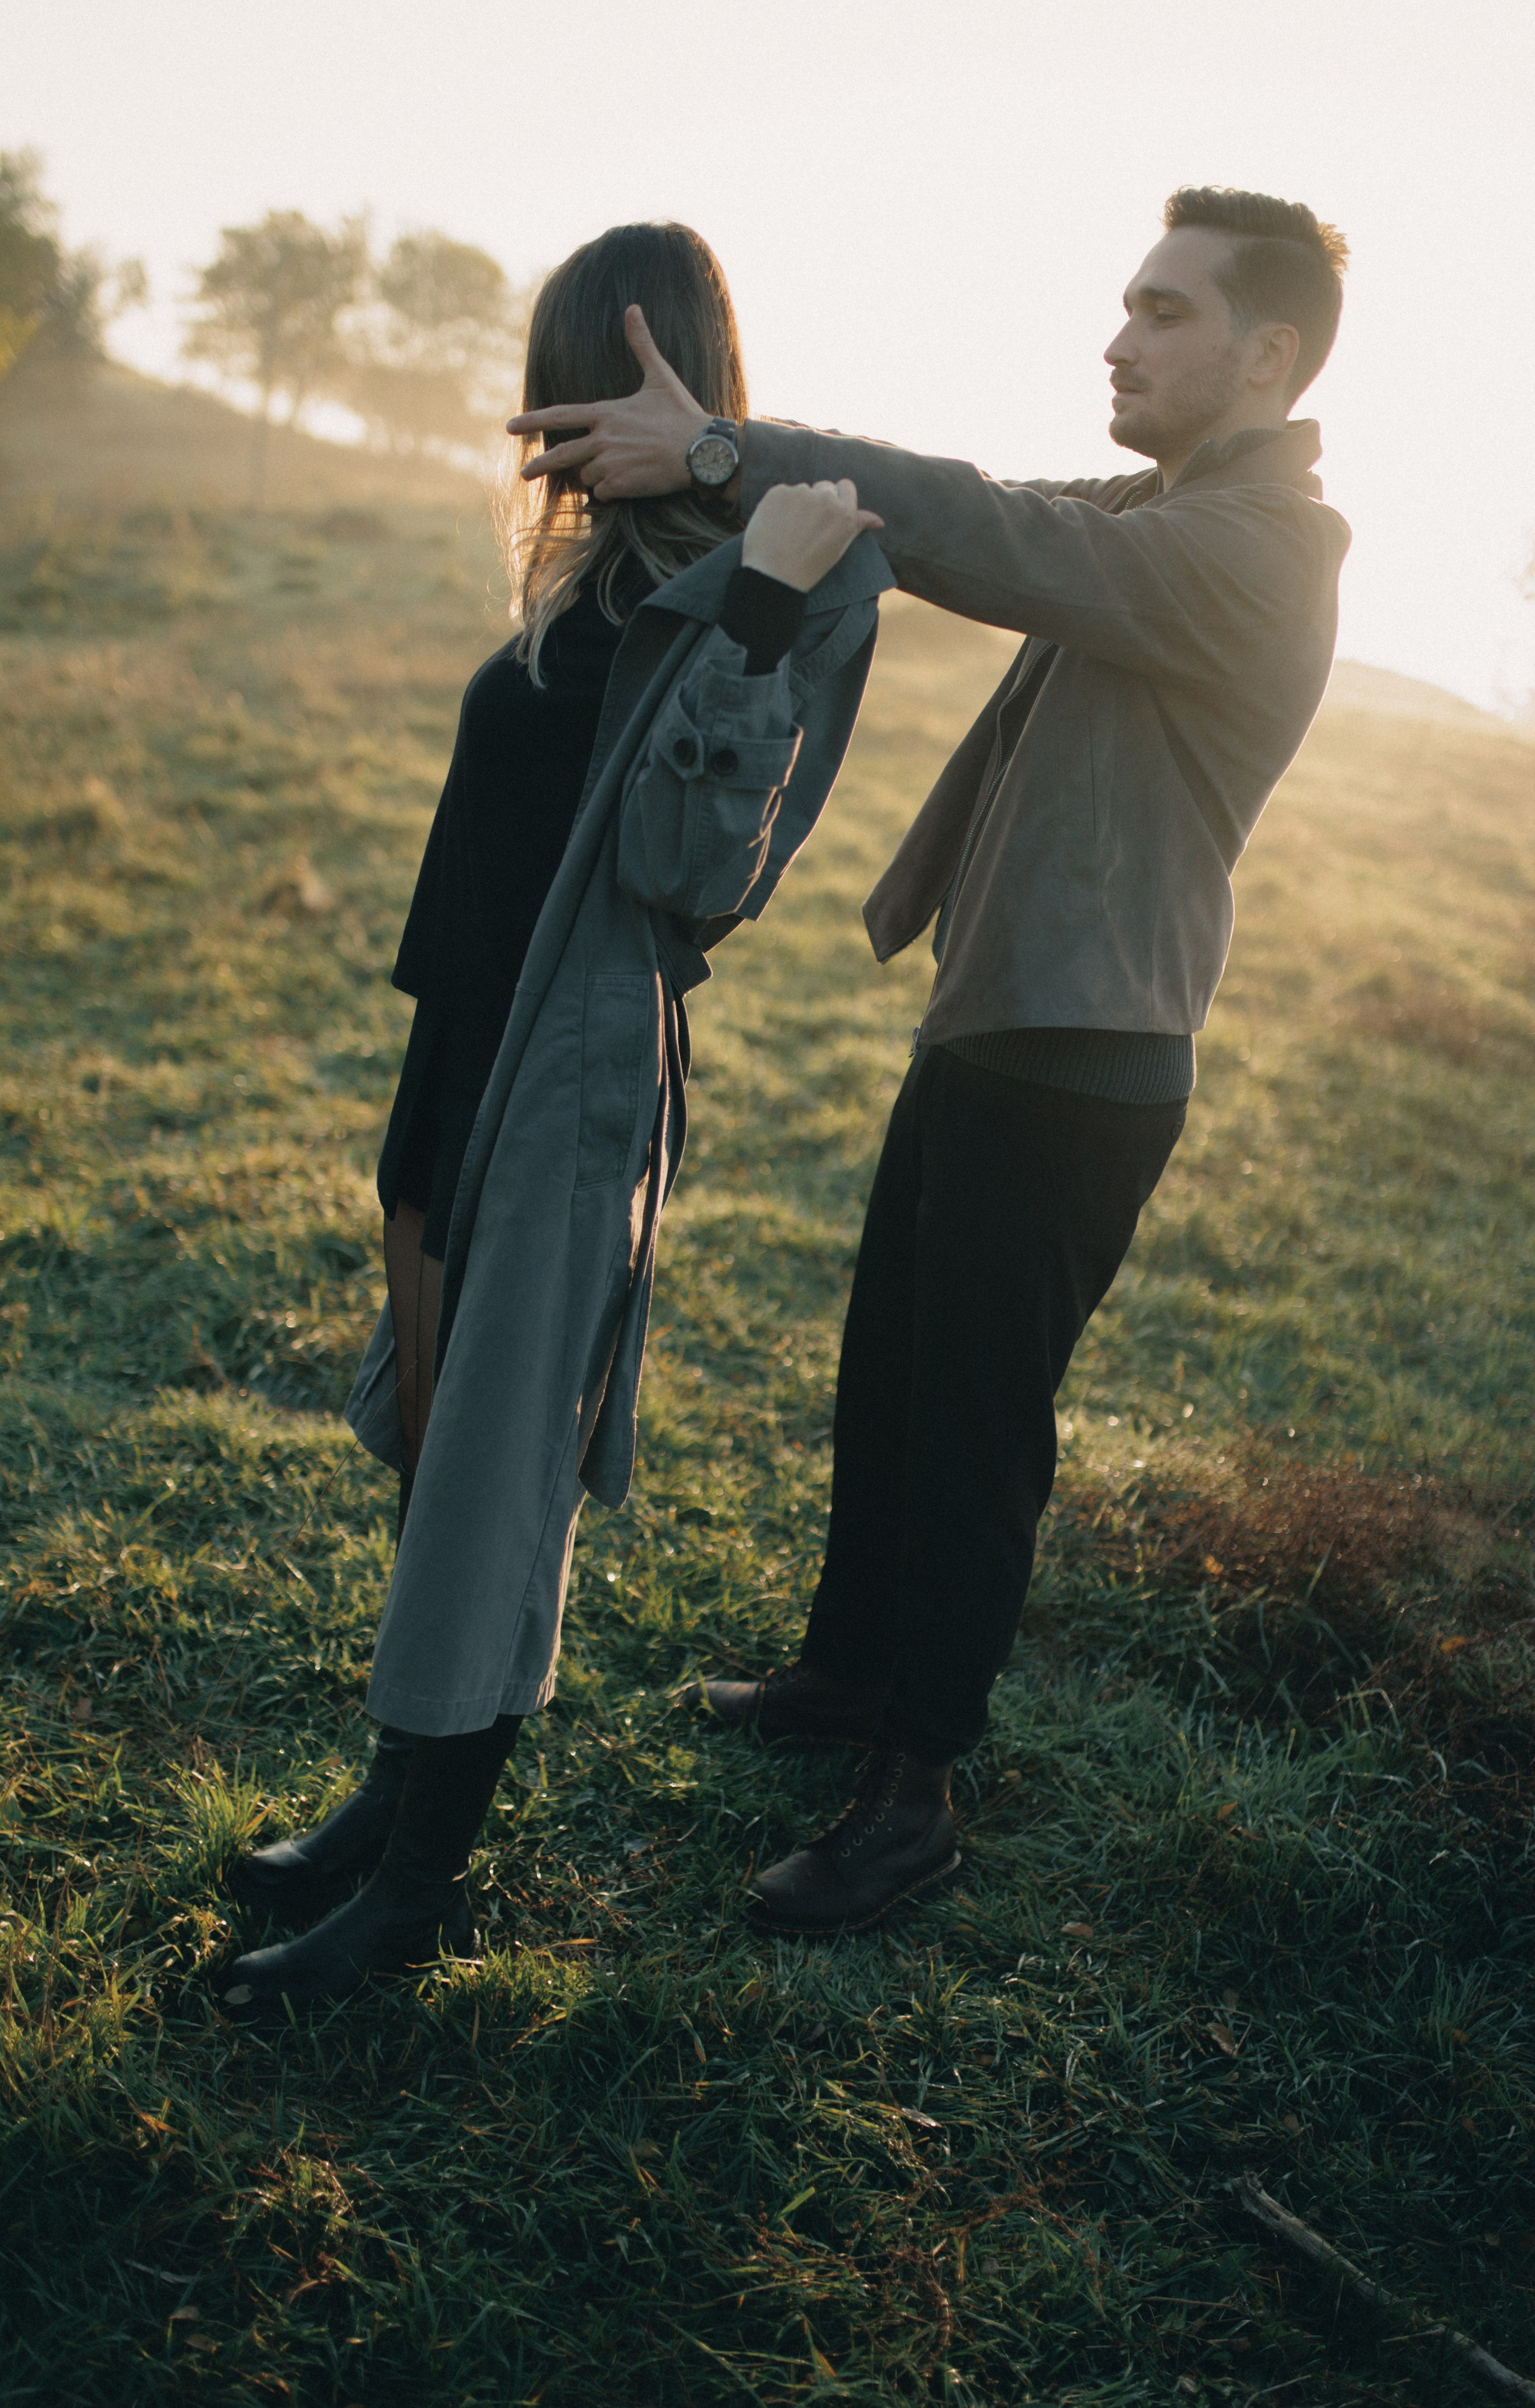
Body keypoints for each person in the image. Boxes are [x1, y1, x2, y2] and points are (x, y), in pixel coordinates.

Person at [509, 187, 1352, 1934]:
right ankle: (844, 1676)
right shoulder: (1164, 507)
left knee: (975, 1424)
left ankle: (915, 1796)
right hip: (1005, 1025)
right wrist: (758, 465)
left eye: (1165, 312)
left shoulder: (1263, 550)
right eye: (1125, 302)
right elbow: (964, 502)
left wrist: (721, 446)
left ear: (1270, 356)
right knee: (891, 1366)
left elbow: (983, 529)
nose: (1118, 337)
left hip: (1084, 1062)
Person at [217, 222, 887, 2014]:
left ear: (676, 367)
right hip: (457, 1048)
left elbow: (695, 880)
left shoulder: (800, 573)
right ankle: (390, 1797)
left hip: (576, 1063)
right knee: (442, 1463)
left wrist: (754, 598)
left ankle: (408, 1908)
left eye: (596, 372)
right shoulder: (587, 571)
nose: (566, 418)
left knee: (496, 1480)